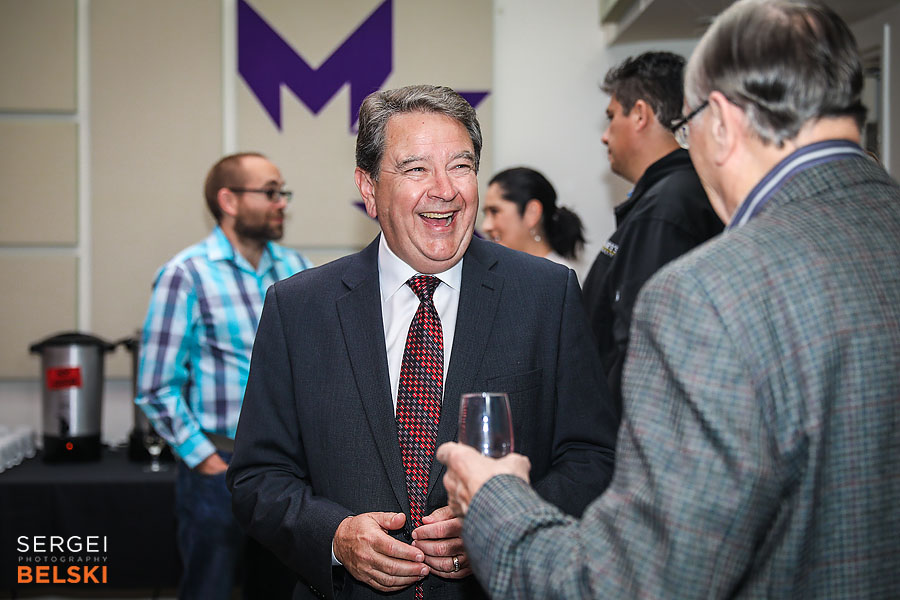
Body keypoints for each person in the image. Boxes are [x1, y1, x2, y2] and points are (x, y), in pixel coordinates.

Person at [437, 1, 900, 597]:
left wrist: (493, 498)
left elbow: (624, 586)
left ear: (722, 120)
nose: (689, 147)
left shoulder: (708, 294)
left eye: (689, 126)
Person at [226, 85, 618, 600]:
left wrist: (500, 522)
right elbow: (258, 478)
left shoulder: (547, 295)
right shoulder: (299, 308)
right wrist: (335, 538)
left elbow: (593, 457)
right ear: (368, 189)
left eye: (461, 166)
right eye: (416, 169)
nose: (445, 190)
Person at [136, 152, 311, 599]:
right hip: (219, 467)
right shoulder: (185, 274)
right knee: (208, 590)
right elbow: (156, 387)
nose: (281, 203)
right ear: (229, 201)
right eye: (270, 192)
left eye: (282, 192)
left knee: (281, 590)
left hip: (288, 472)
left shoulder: (295, 268)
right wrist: (204, 460)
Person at [582, 51, 723, 415]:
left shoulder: (666, 207)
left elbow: (644, 345)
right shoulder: (673, 195)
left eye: (612, 116)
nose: (604, 136)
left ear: (640, 115)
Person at [481, 167, 585, 272]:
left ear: (532, 213)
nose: (486, 226)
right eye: (486, 214)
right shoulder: (504, 270)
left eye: (494, 211)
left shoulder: (558, 276)